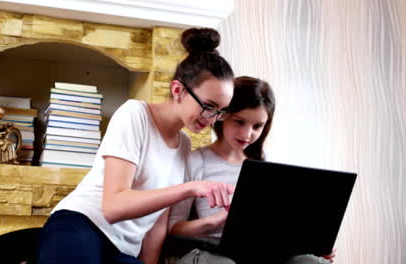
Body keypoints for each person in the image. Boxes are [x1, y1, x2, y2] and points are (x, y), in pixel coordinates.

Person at [36, 27, 236, 264]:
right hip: (83, 224)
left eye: (221, 112)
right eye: (208, 106)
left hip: (124, 250)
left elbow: (157, 223)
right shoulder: (135, 114)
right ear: (177, 90)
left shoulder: (183, 144)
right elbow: (113, 207)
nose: (212, 118)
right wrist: (191, 188)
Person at [167, 76, 335, 264]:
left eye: (257, 126)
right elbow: (173, 229)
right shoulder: (196, 160)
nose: (247, 134)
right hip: (208, 253)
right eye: (239, 122)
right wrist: (218, 221)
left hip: (256, 253)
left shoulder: (265, 168)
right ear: (223, 115)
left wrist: (311, 245)